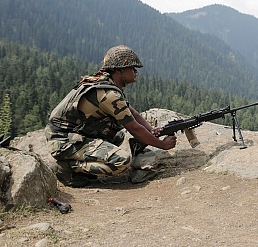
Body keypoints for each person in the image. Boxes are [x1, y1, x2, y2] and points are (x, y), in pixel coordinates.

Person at [45, 45, 177, 187]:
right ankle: (67, 168)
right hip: (62, 141)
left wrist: (150, 130)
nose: (135, 71)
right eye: (132, 68)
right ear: (119, 71)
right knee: (122, 161)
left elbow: (132, 113)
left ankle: (80, 164)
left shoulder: (105, 83)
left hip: (69, 135)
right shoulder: (109, 94)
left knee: (116, 136)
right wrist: (162, 145)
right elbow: (134, 128)